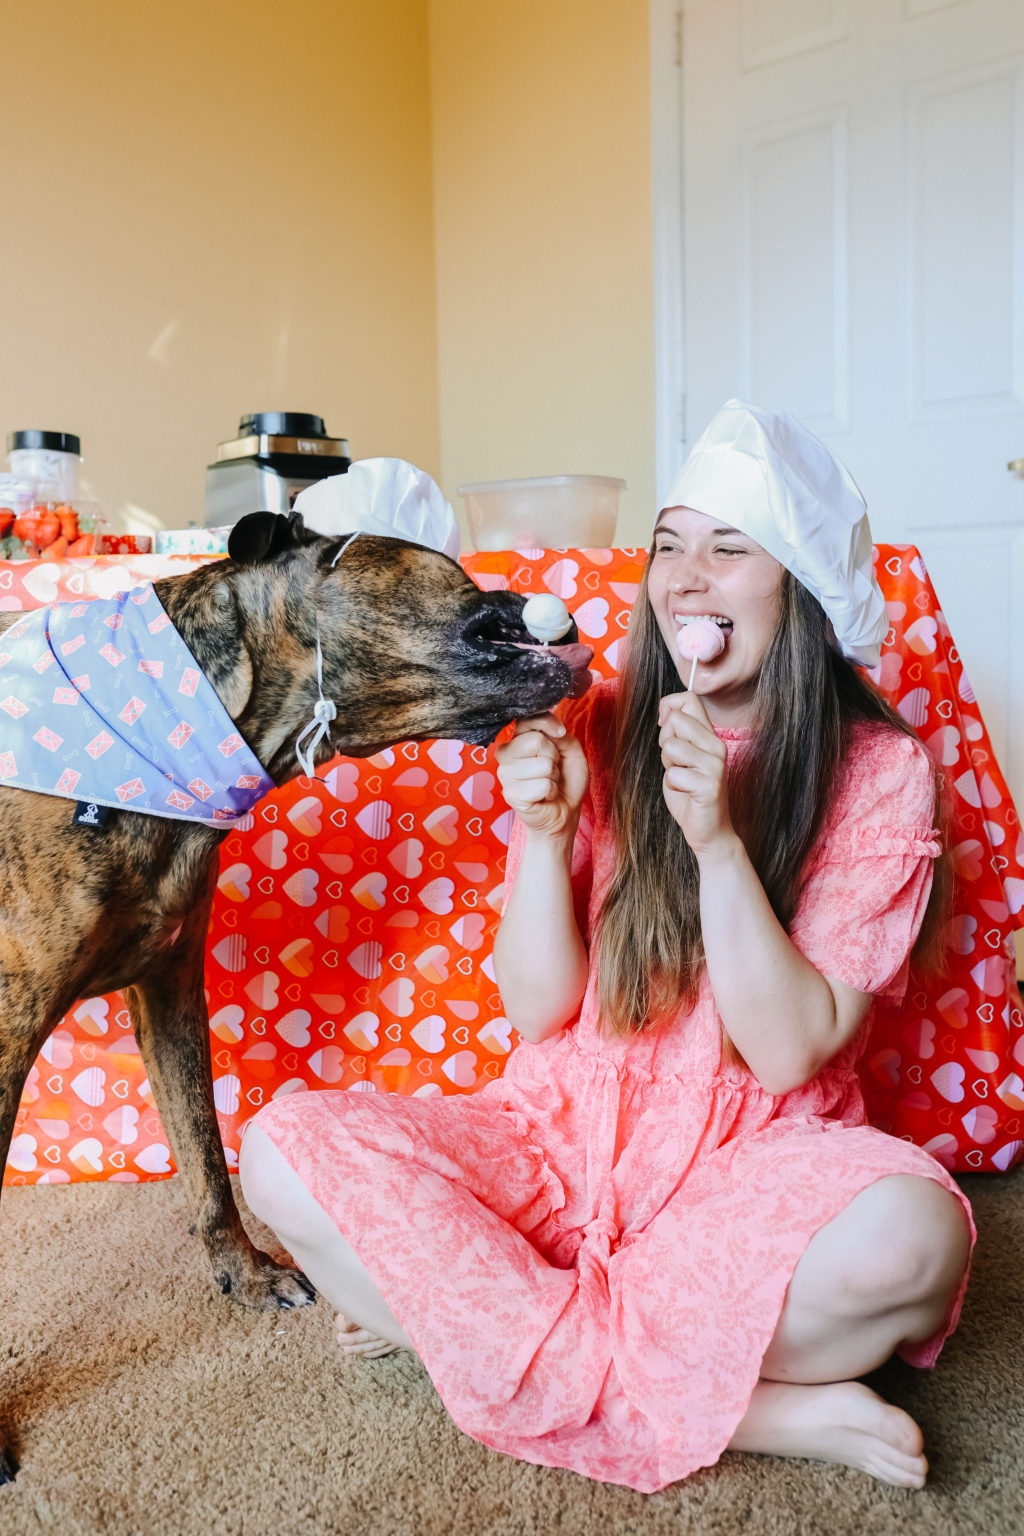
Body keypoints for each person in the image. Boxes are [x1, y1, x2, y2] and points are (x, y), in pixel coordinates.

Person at [239, 401, 973, 1493]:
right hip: (557, 1141)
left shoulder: (877, 771)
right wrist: (541, 835)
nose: (684, 577)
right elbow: (538, 1012)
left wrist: (717, 845)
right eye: (668, 546)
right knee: (280, 1149)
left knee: (915, 1242)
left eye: (729, 548)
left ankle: (466, 1325)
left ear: (802, 586)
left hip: (751, 1166)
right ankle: (756, 1410)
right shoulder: (601, 720)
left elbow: (787, 1056)